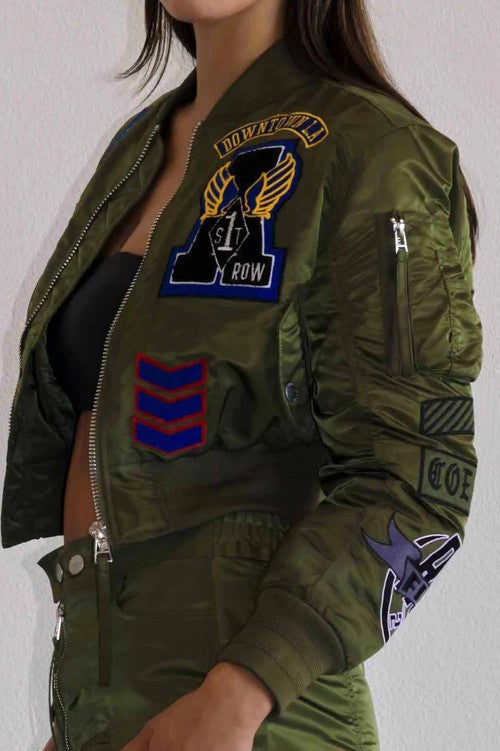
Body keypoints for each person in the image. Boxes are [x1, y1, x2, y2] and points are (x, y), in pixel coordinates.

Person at [1, 1, 483, 750]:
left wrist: (240, 692)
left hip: (256, 719)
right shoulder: (141, 147)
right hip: (109, 702)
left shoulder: (370, 148)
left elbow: (420, 474)